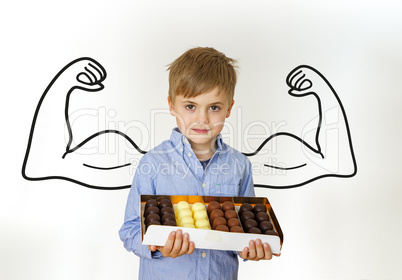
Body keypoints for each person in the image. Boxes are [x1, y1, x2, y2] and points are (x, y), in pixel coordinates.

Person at [119, 47, 278, 279]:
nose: (202, 119)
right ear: (172, 105)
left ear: (229, 108)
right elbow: (130, 229)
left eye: (214, 108)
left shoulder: (239, 165)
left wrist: (252, 248)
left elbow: (243, 227)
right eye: (190, 107)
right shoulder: (152, 164)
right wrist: (157, 246)